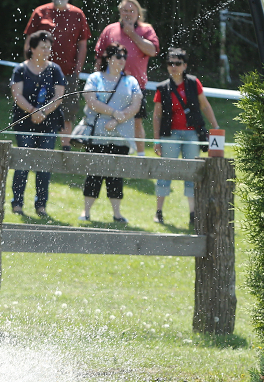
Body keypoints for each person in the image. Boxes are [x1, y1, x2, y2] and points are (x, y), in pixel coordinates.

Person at [152, 48, 219, 227]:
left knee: (192, 173)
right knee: (166, 171)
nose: (173, 67)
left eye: (177, 63)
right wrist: (157, 140)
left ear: (185, 65)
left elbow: (205, 106)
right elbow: (156, 116)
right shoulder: (162, 87)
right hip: (170, 134)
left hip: (191, 134)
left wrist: (215, 127)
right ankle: (159, 212)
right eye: (170, 63)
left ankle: (192, 214)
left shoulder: (193, 83)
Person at [79, 43, 142, 223]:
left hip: (121, 137)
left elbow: (136, 105)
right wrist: (114, 112)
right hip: (96, 135)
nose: (122, 60)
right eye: (118, 56)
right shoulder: (95, 78)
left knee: (116, 176)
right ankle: (86, 212)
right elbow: (90, 100)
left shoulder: (131, 81)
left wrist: (116, 120)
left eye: (124, 57)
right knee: (94, 174)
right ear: (108, 58)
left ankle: (117, 214)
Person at [23, 0, 91, 151]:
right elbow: (29, 42)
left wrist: (77, 70)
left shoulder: (78, 14)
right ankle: (35, 145)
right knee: (38, 106)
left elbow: (82, 44)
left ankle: (65, 147)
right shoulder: (40, 11)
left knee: (68, 111)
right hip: (40, 73)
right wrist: (30, 68)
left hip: (68, 73)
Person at [10, 30, 64, 218]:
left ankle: (41, 205)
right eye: (43, 47)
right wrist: (33, 111)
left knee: (44, 165)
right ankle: (17, 203)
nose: (46, 51)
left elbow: (59, 96)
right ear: (32, 49)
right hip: (25, 122)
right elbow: (17, 95)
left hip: (48, 124)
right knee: (22, 162)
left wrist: (43, 112)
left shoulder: (55, 69)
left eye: (49, 47)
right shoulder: (20, 70)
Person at [94, 0, 158, 155]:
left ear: (138, 13)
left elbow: (153, 50)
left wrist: (132, 34)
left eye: (131, 11)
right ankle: (106, 151)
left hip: (135, 85)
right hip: (110, 84)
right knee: (108, 118)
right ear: (119, 12)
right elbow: (99, 55)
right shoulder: (110, 29)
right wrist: (97, 79)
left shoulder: (146, 29)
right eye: (124, 11)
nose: (128, 14)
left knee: (136, 121)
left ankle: (141, 156)